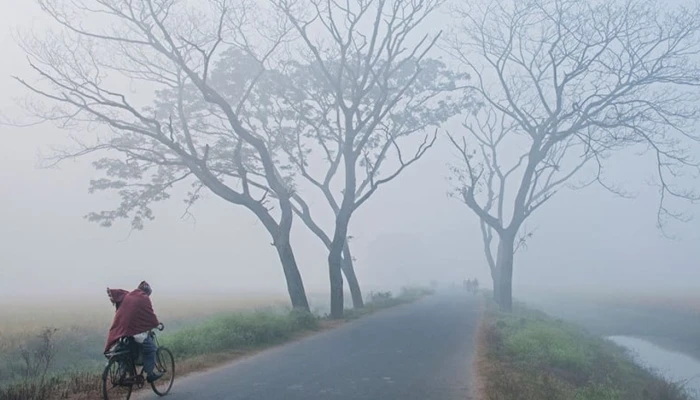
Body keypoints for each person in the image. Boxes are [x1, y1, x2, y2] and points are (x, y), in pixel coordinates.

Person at [105, 281, 163, 383]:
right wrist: (156, 324)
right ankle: (150, 374)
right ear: (147, 292)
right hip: (135, 331)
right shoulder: (144, 298)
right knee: (152, 348)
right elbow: (150, 315)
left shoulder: (128, 296)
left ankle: (123, 374)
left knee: (122, 352)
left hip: (121, 332)